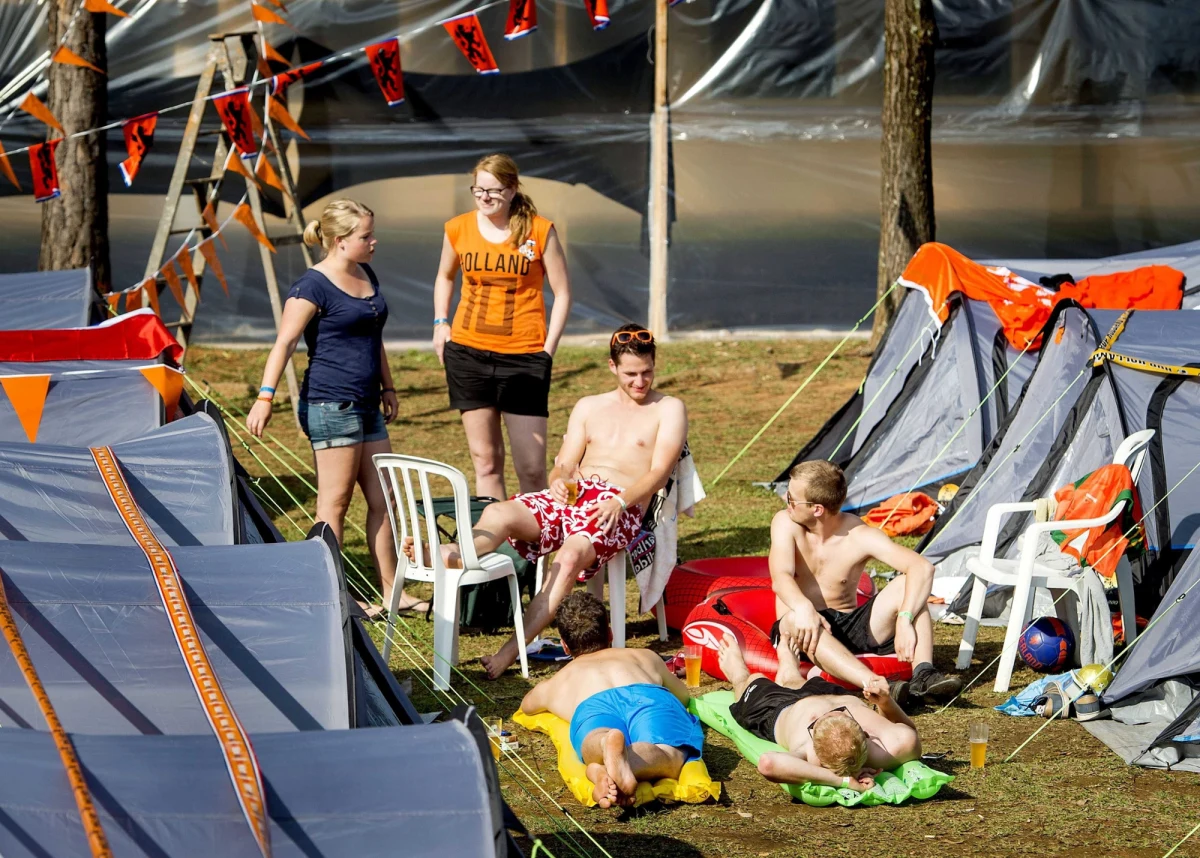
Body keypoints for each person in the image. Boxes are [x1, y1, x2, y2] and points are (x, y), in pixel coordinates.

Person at [403, 324, 686, 679]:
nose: (640, 382)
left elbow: (659, 472)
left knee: (567, 558)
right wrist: (558, 481)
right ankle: (454, 555)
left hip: (621, 506)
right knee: (499, 511)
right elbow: (565, 463)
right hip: (576, 495)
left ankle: (509, 651)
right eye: (631, 374)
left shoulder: (669, 408)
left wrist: (621, 502)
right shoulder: (589, 406)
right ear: (612, 367)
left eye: (646, 373)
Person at [247, 199, 428, 617]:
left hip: (367, 404)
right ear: (340, 241)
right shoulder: (312, 286)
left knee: (386, 500)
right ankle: (331, 595)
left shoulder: (366, 273)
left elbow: (373, 335)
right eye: (366, 236)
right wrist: (265, 396)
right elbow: (285, 343)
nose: (373, 241)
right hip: (331, 404)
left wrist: (389, 385)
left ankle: (391, 590)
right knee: (335, 505)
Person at [432, 153, 572, 500]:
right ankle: (496, 547)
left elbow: (563, 292)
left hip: (524, 357)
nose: (484, 198)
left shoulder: (539, 230)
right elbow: (444, 276)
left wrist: (547, 349)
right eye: (478, 190)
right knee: (485, 461)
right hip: (467, 354)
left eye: (493, 191)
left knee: (531, 467)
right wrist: (440, 322)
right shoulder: (458, 228)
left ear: (511, 190)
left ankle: (537, 549)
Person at [770, 460, 962, 703]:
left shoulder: (859, 535)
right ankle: (876, 684)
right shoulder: (785, 523)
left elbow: (922, 568)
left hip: (852, 626)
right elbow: (781, 577)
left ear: (817, 509)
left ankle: (923, 674)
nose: (787, 502)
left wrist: (905, 619)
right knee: (797, 618)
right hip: (802, 626)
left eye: (791, 498)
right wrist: (804, 607)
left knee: (908, 586)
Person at [519, 593, 703, 807]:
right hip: (646, 695)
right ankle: (628, 762)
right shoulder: (643, 655)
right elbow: (682, 696)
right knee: (668, 753)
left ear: (565, 646)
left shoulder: (557, 683)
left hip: (592, 703)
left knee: (593, 736)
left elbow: (527, 706)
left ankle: (604, 745)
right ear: (610, 633)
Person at [718, 633, 921, 791]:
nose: (830, 713)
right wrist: (886, 703)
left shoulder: (809, 752)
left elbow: (768, 763)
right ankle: (789, 669)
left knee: (750, 681)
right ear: (865, 733)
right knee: (794, 682)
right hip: (828, 694)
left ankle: (738, 672)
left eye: (816, 723)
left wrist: (842, 781)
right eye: (843, 714)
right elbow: (908, 730)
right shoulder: (899, 744)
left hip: (777, 709)